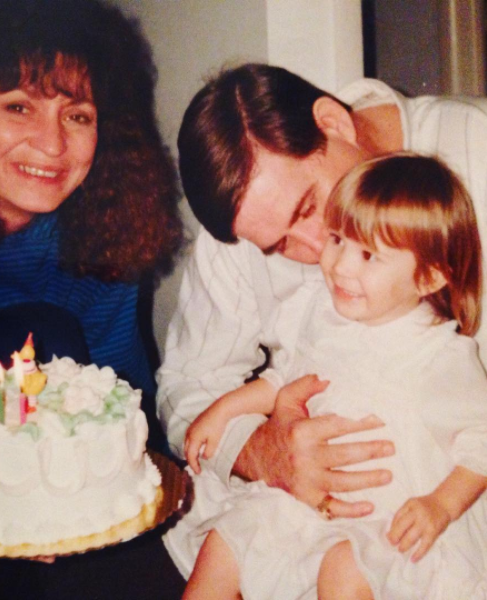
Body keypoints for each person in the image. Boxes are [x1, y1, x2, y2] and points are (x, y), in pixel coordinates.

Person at [0, 0, 185, 597]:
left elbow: (120, 392)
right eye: (18, 106)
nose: (51, 145)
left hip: (26, 479)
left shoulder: (102, 235)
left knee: (39, 339)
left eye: (77, 115)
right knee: (24, 333)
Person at [156, 63, 487, 581]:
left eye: (308, 207)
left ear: (333, 123)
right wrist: (264, 451)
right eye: (279, 246)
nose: (317, 254)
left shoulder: (477, 150)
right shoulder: (241, 226)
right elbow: (189, 386)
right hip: (295, 519)